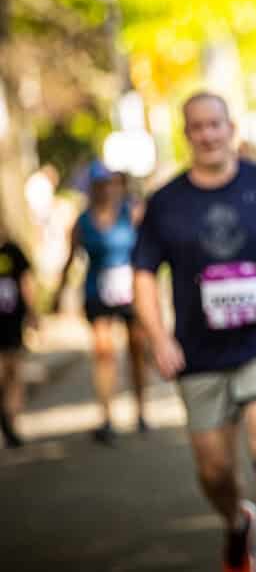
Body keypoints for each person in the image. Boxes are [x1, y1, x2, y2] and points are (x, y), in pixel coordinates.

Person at [132, 92, 256, 572]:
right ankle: (236, 519)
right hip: (199, 350)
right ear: (187, 136)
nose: (207, 135)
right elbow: (144, 272)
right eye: (197, 127)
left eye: (215, 125)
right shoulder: (166, 202)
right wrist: (159, 337)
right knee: (214, 469)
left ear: (232, 128)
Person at [56, 160, 149, 444]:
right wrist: (60, 293)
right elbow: (71, 259)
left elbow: (148, 250)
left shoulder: (131, 212)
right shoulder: (81, 222)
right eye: (98, 185)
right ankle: (106, 415)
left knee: (136, 349)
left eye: (108, 184)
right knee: (103, 352)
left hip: (130, 291)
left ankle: (141, 409)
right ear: (91, 188)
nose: (104, 190)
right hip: (97, 291)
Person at [0, 227, 34, 448]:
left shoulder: (13, 251)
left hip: (12, 322)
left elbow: (26, 281)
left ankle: (11, 421)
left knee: (14, 371)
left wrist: (33, 312)